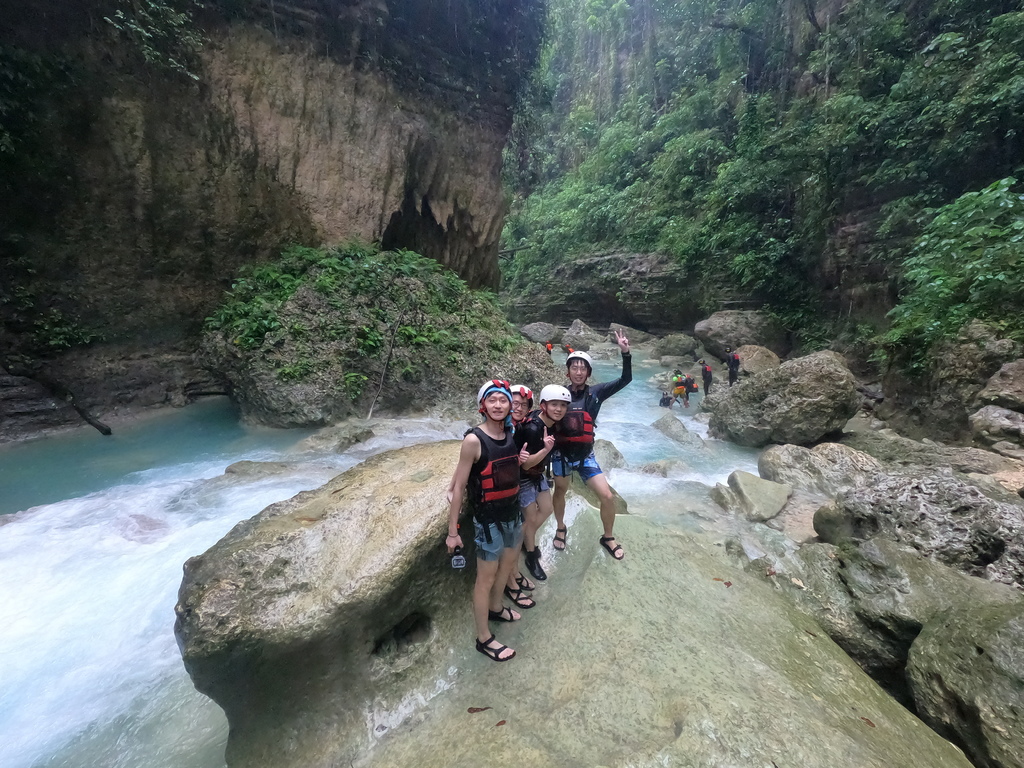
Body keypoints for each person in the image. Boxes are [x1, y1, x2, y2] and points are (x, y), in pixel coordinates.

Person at [446, 380, 524, 663]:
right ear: (483, 405)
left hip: (513, 514)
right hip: (488, 520)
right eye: (492, 400)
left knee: (507, 565)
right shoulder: (473, 440)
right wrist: (452, 531)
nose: (499, 405)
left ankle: (496, 608)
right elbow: (461, 483)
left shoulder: (512, 432)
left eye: (503, 400)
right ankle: (483, 638)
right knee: (486, 578)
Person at [550, 331, 631, 561]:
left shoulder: (596, 393)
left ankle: (608, 537)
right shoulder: (560, 394)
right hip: (562, 455)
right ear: (568, 371)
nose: (578, 372)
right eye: (574, 368)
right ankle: (560, 527)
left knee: (606, 496)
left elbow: (625, 380)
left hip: (585, 456)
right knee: (561, 491)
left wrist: (625, 353)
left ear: (588, 373)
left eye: (582, 368)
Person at [513, 384, 571, 584]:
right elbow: (526, 463)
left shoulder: (549, 421)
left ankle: (523, 537)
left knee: (546, 509)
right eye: (554, 404)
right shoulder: (532, 428)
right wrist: (546, 450)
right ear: (544, 405)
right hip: (523, 477)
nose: (559, 409)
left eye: (563, 405)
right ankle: (530, 554)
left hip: (537, 476)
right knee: (530, 518)